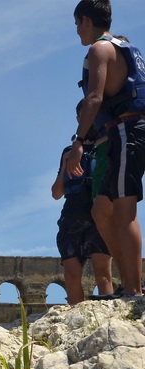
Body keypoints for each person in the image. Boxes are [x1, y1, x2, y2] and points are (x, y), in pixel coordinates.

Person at [66, 0, 145, 297]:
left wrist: (78, 142)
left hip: (128, 130)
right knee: (102, 209)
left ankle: (135, 292)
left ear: (86, 20)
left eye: (77, 24)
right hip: (119, 133)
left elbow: (95, 98)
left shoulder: (100, 49)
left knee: (125, 210)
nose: (76, 31)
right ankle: (129, 281)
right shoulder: (126, 48)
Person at [51, 100, 113, 303]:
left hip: (99, 212)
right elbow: (56, 193)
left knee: (102, 273)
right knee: (70, 275)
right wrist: (64, 164)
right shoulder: (68, 151)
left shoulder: (108, 144)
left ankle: (107, 320)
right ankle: (75, 320)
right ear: (79, 119)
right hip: (73, 212)